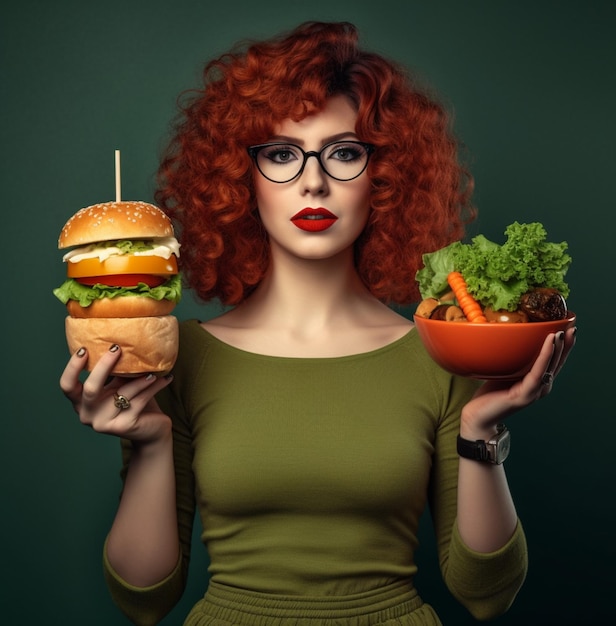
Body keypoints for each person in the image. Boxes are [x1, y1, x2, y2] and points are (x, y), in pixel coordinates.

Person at [60, 21, 576, 626]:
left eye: (345, 153)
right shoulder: (177, 358)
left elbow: (486, 593)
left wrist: (481, 434)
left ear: (384, 179)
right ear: (240, 178)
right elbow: (143, 600)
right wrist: (147, 444)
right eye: (280, 154)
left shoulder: (442, 351)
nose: (313, 180)